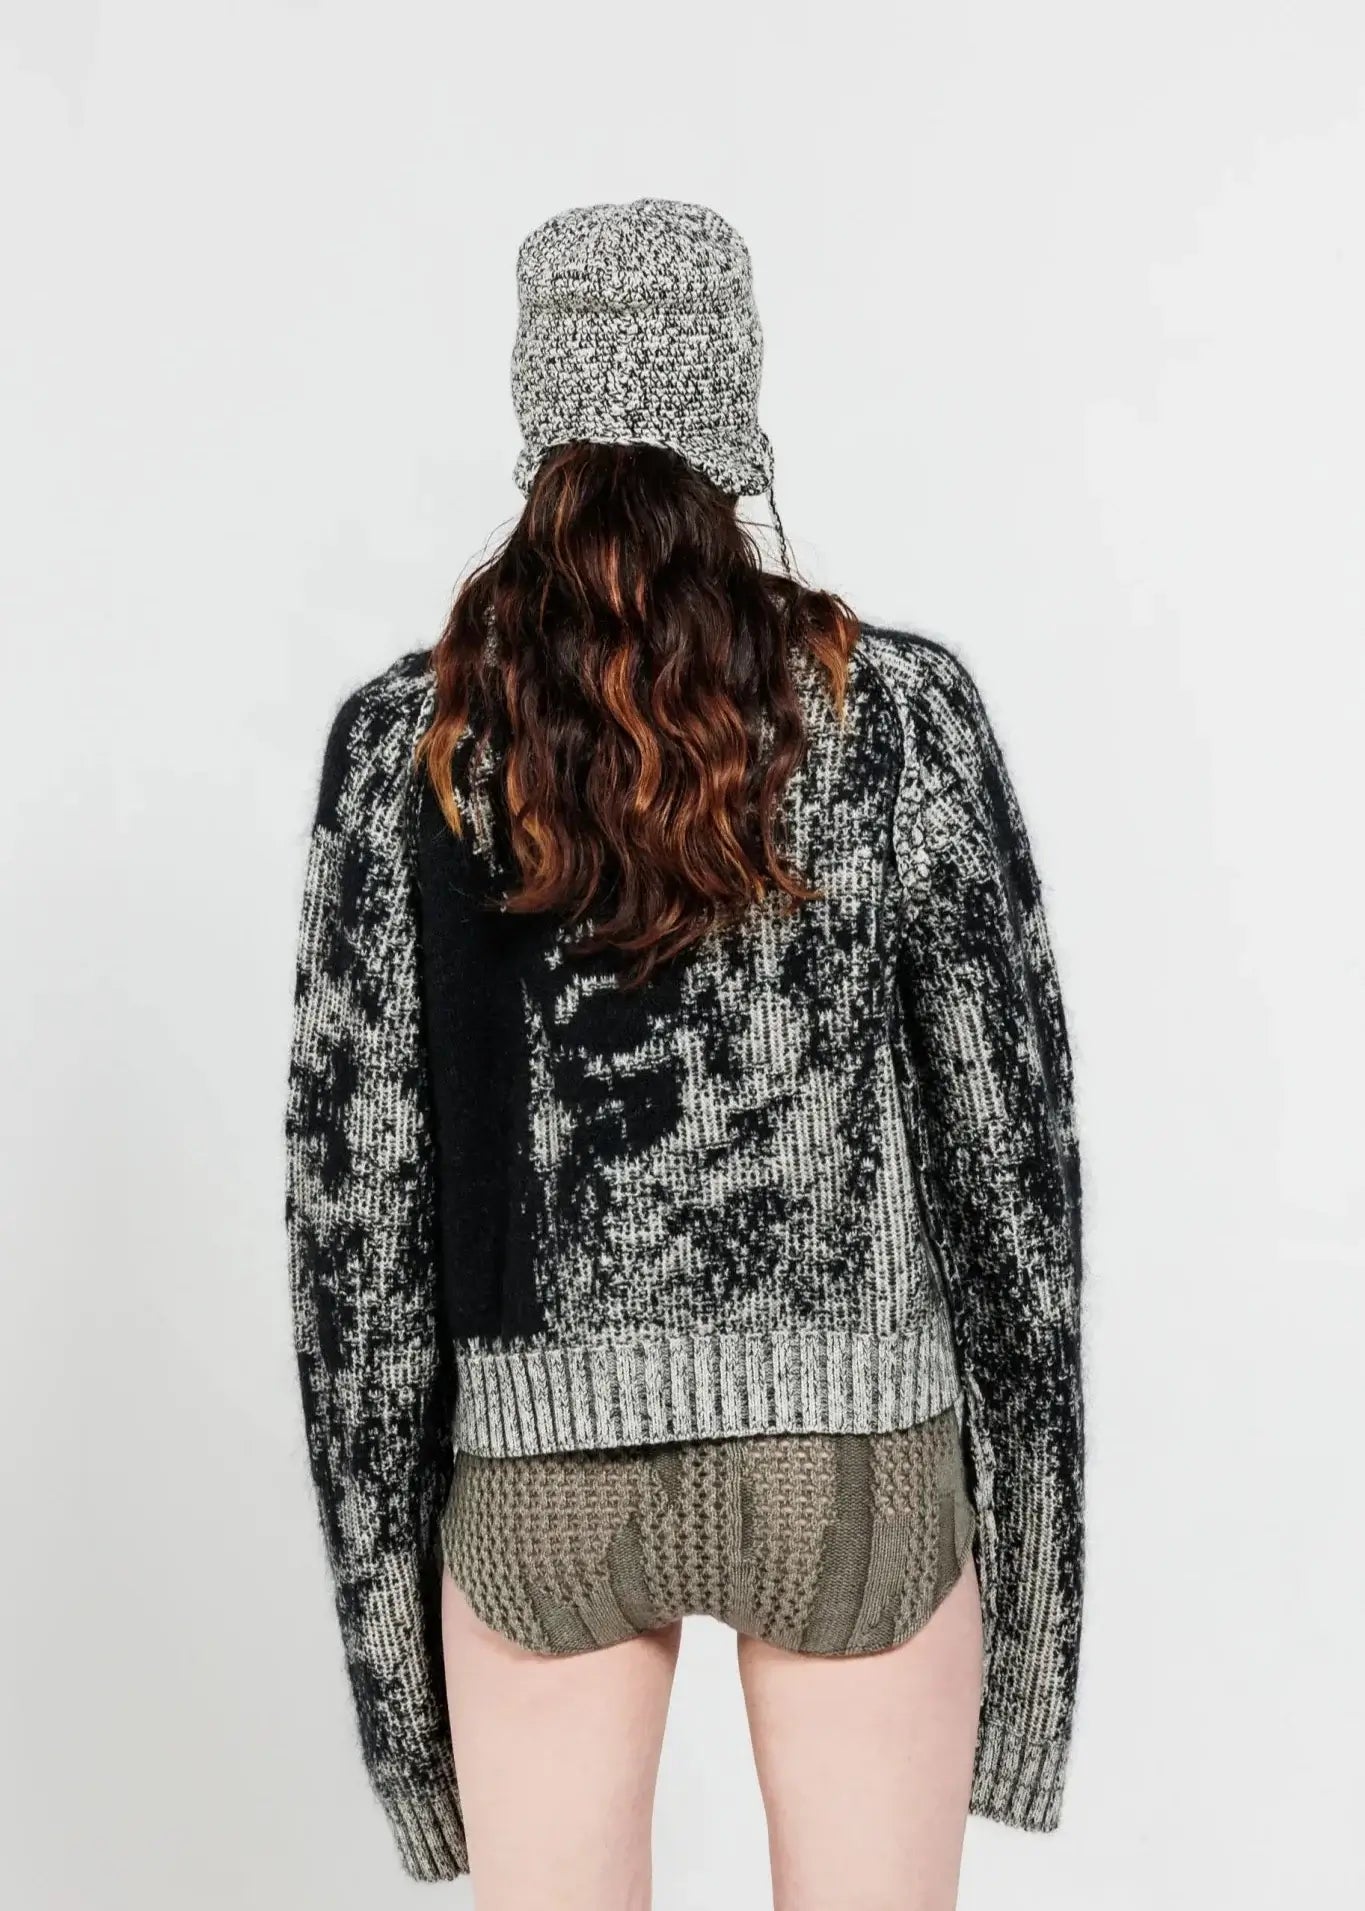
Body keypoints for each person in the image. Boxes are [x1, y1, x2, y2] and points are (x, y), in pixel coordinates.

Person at [284, 195, 1086, 1910]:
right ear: (739, 400)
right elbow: (1015, 1193)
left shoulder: (413, 747)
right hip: (856, 1466)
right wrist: (1030, 1672)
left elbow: (353, 1249)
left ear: (534, 409)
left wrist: (408, 1738)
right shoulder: (893, 717)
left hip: (535, 1479)